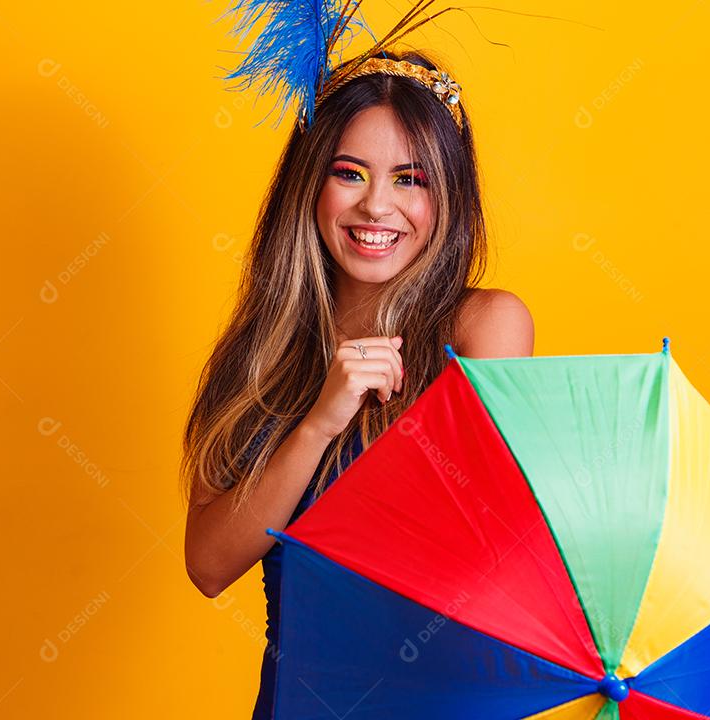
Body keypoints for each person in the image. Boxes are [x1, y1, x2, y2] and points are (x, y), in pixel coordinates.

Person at [180, 47, 534, 719]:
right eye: (350, 173)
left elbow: (488, 551)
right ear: (310, 184)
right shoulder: (261, 356)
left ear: (448, 197)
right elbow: (209, 564)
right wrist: (319, 421)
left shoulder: (483, 329)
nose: (377, 206)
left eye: (411, 179)